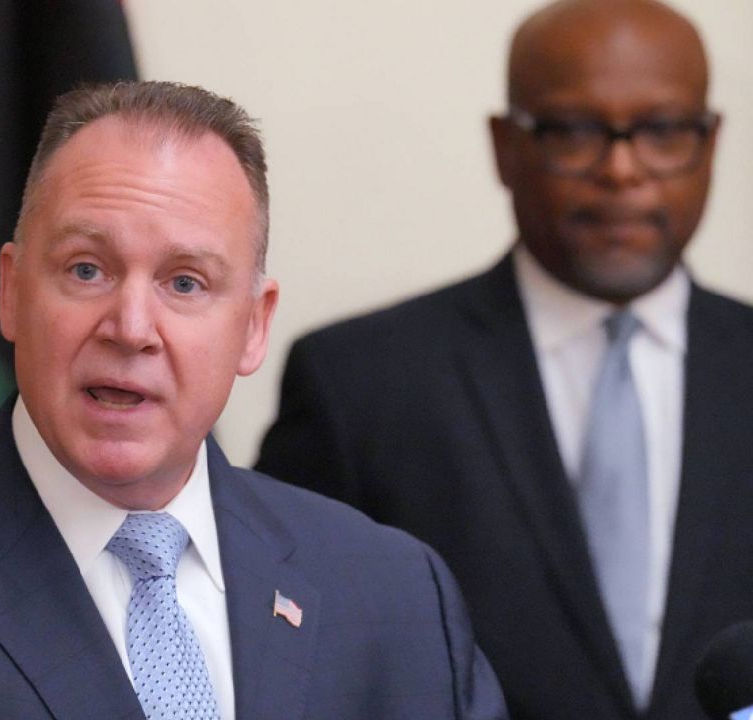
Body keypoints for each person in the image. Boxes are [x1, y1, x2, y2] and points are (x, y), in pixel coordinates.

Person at [0, 80, 507, 719]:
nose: (131, 327)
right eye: (87, 269)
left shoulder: (399, 596)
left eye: (185, 283)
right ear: (11, 292)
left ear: (254, 327)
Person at [256, 1, 753, 718]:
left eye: (664, 131)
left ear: (710, 144)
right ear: (504, 146)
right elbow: (294, 666)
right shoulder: (359, 385)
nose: (622, 169)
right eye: (575, 131)